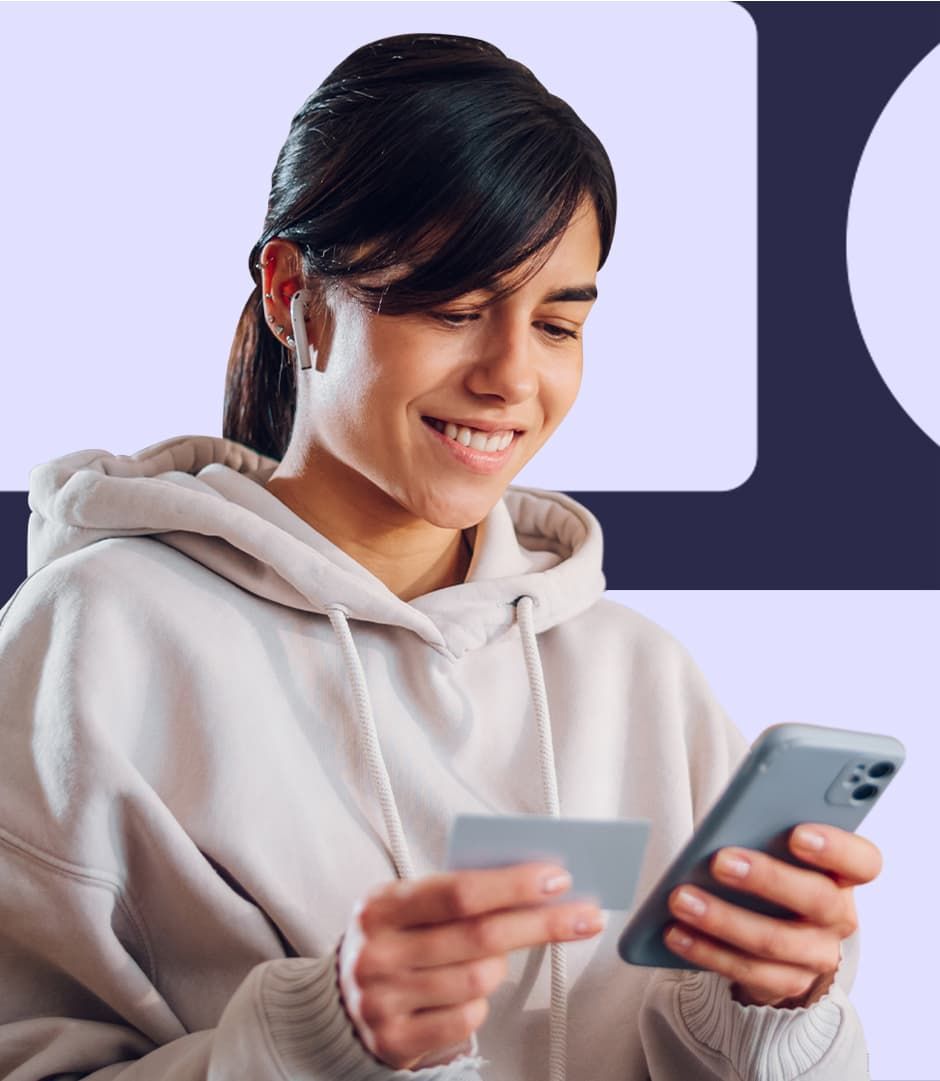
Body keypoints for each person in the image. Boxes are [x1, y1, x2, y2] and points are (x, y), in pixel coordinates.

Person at [0, 32, 879, 1081]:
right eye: (454, 308)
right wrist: (319, 1037)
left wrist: (770, 1010)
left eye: (557, 324)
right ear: (291, 292)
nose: (512, 375)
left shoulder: (637, 673)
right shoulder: (93, 638)